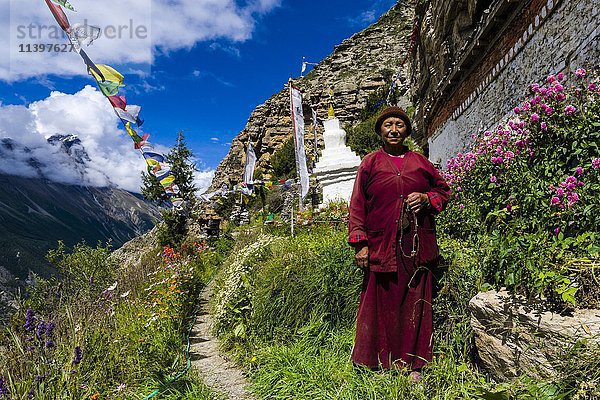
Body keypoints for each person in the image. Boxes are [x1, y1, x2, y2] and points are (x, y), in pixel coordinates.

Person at [348, 106, 451, 380]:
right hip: (381, 245)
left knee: (415, 301)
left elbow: (443, 190)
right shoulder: (370, 163)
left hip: (416, 245)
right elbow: (357, 205)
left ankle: (414, 363)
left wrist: (428, 199)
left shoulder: (420, 162)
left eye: (400, 125)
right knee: (381, 304)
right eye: (388, 125)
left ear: (406, 130)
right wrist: (361, 243)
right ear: (380, 131)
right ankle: (379, 360)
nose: (394, 130)